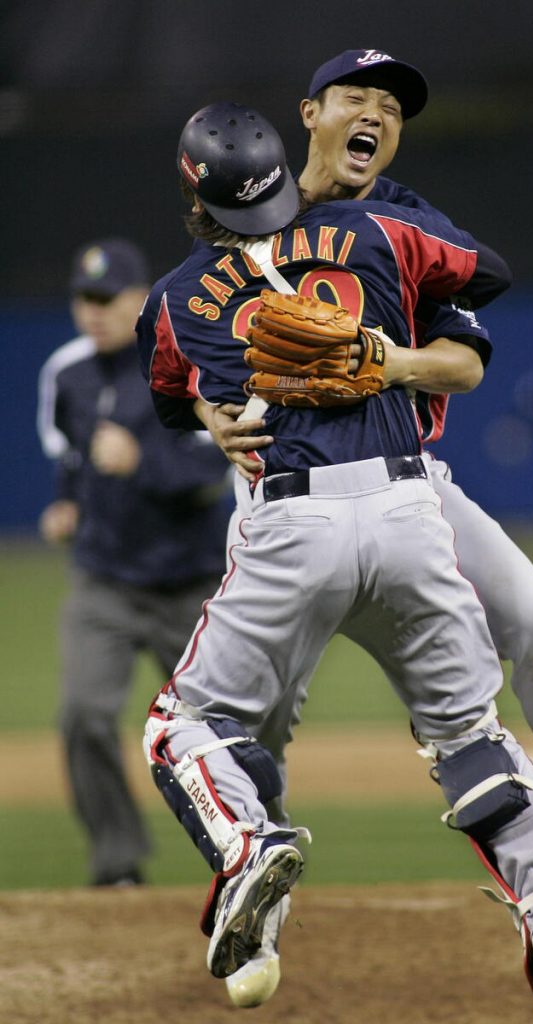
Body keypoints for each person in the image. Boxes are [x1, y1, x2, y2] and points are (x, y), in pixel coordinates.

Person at [205, 49, 533, 1009]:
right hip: (283, 502)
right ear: (310, 113)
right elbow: (196, 363)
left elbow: (463, 365)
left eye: (390, 106)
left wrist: (386, 361)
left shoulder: (410, 228)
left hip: (408, 491)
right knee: (258, 727)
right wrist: (213, 415)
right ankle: (253, 905)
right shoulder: (245, 216)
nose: (375, 115)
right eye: (356, 98)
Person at [136, 101, 533, 1024]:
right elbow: (488, 275)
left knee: (184, 724)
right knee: (472, 735)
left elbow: (167, 401)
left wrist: (210, 415)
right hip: (407, 508)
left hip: (290, 524)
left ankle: (249, 849)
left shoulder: (175, 299)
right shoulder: (381, 234)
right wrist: (399, 308)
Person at [37, 238, 232, 887]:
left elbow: (215, 469)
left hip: (191, 584)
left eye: (107, 298)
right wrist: (68, 504)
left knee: (226, 730)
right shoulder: (68, 373)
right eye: (83, 299)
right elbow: (72, 454)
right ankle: (118, 865)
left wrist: (142, 464)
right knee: (85, 716)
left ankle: (246, 855)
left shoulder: (186, 361)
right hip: (106, 581)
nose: (93, 311)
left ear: (139, 299)